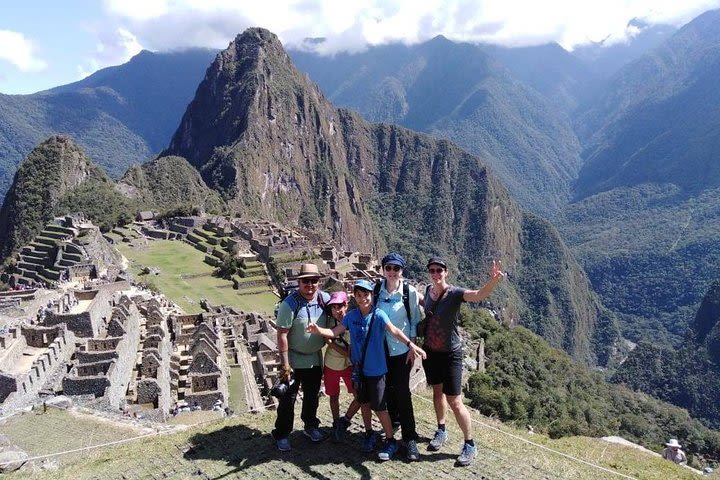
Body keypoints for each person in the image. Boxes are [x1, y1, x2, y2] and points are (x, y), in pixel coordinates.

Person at [307, 279, 427, 461]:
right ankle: (369, 433)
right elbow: (334, 332)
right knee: (363, 402)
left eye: (366, 295)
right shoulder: (351, 317)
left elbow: (394, 331)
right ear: (355, 296)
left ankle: (390, 440)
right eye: (359, 295)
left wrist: (411, 344)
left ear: (372, 296)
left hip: (377, 370)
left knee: (379, 407)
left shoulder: (378, 315)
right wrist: (319, 330)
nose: (363, 298)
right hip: (359, 370)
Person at [421, 257, 504, 466]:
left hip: (451, 354)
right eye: (432, 270)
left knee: (455, 401)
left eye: (439, 270)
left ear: (446, 272)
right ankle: (441, 430)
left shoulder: (455, 293)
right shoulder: (427, 292)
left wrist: (493, 280)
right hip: (431, 352)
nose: (436, 273)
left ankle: (470, 444)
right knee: (437, 393)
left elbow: (478, 295)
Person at [271, 263, 331, 452]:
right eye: (306, 281)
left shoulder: (324, 300)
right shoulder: (290, 304)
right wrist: (285, 365)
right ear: (299, 282)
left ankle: (311, 426)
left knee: (312, 396)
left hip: (314, 358)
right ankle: (281, 433)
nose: (310, 285)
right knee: (288, 399)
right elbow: (282, 334)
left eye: (314, 281)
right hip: (294, 360)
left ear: (319, 282)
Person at [375, 252, 423, 460]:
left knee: (403, 392)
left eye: (396, 268)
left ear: (402, 271)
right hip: (380, 350)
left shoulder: (408, 292)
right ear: (383, 270)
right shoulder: (376, 289)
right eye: (389, 268)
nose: (392, 272)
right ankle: (392, 427)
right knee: (387, 391)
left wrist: (412, 346)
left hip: (402, 351)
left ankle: (409, 438)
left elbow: (413, 320)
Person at [323, 290, 361, 441]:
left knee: (359, 396)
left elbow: (349, 353)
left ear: (346, 306)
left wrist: (330, 344)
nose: (337, 310)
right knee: (333, 395)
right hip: (331, 364)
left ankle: (345, 419)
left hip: (349, 365)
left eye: (340, 306)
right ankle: (336, 421)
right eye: (333, 307)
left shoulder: (353, 323)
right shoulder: (328, 322)